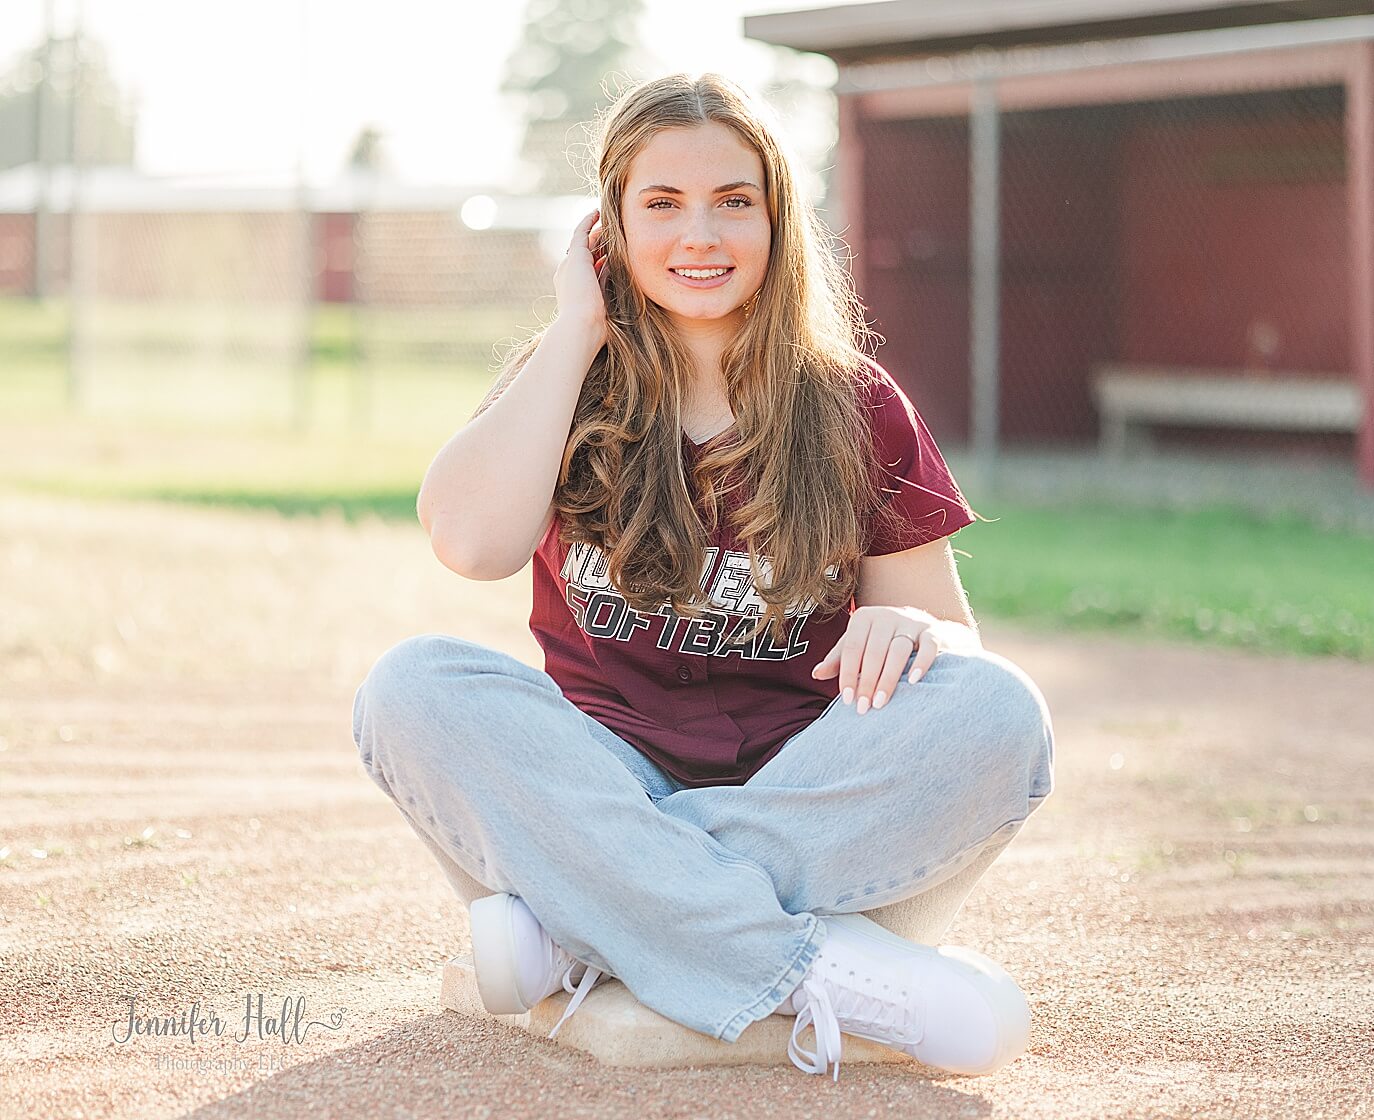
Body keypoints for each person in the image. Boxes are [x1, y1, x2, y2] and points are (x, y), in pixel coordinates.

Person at [352, 72, 1055, 1082]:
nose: (701, 235)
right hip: (603, 777)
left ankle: (581, 928)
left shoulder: (852, 402)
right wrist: (573, 328)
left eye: (733, 201)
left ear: (776, 217)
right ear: (608, 229)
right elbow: (467, 543)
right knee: (411, 687)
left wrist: (919, 637)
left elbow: (949, 647)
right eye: (661, 204)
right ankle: (818, 969)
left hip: (802, 789)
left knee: (1000, 711)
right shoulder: (564, 380)